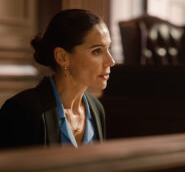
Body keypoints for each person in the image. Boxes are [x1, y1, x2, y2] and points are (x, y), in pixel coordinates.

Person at [0, 9, 115, 148]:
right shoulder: (21, 112)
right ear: (62, 57)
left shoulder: (97, 109)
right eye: (97, 51)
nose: (111, 61)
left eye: (109, 48)